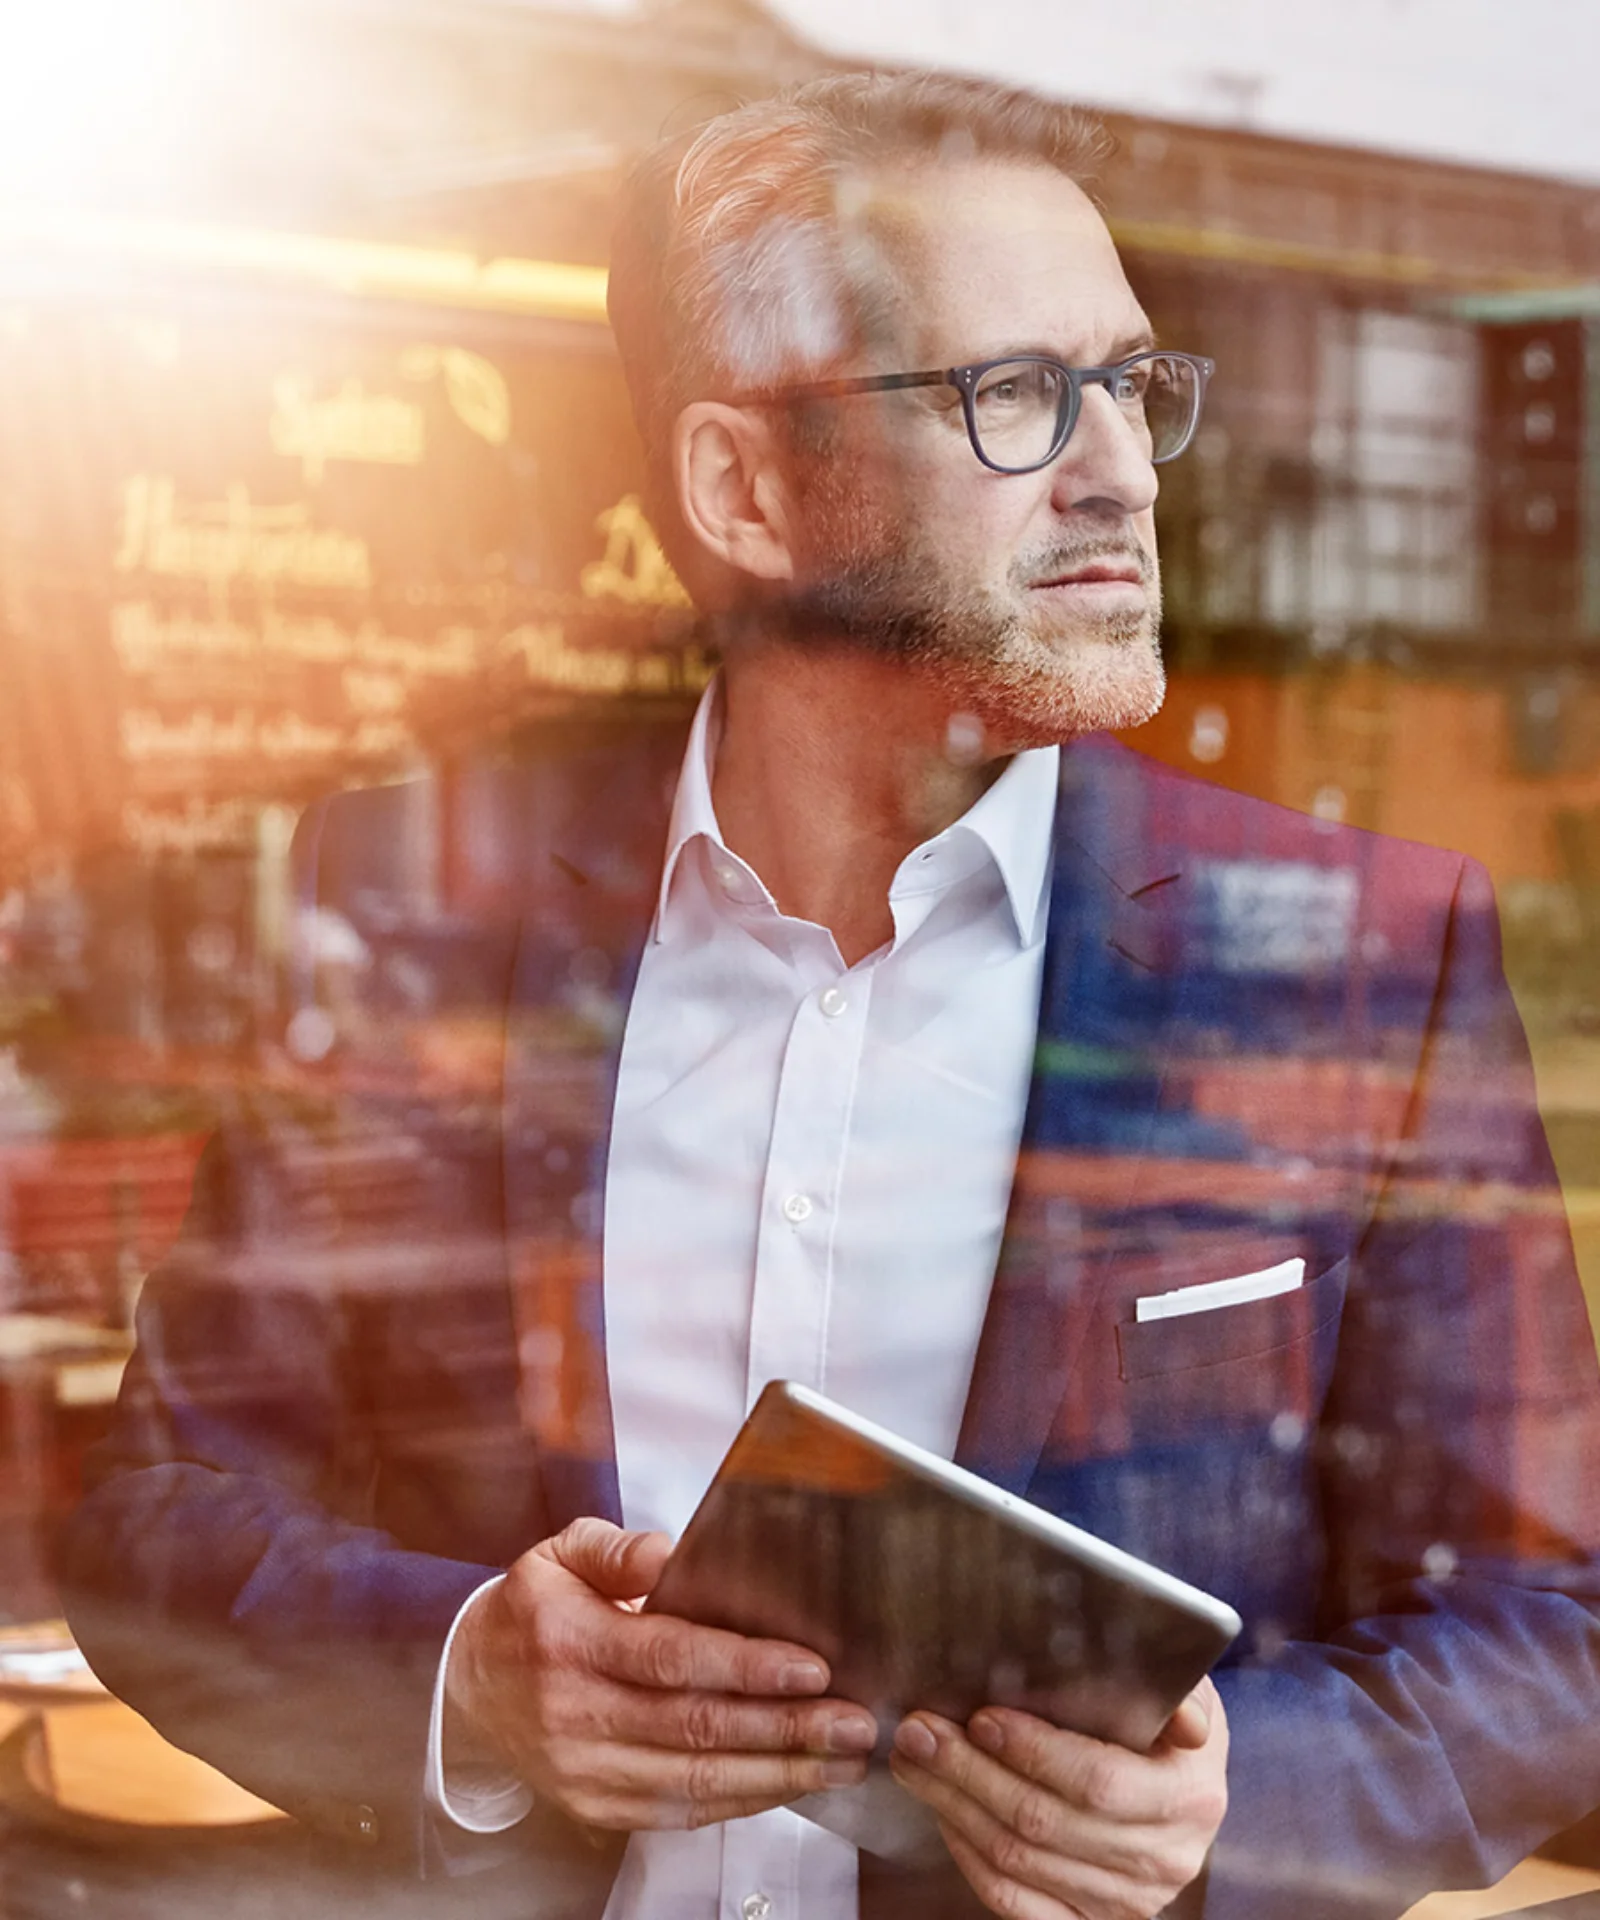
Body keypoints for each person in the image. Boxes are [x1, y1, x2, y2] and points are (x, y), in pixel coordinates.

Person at [61, 70, 1600, 1920]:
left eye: (1131, 383)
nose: (1116, 465)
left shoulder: (1361, 955)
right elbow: (153, 1522)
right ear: (747, 488)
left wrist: (1231, 1809)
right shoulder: (415, 914)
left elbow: (1553, 1624)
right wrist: (468, 1676)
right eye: (1014, 396)